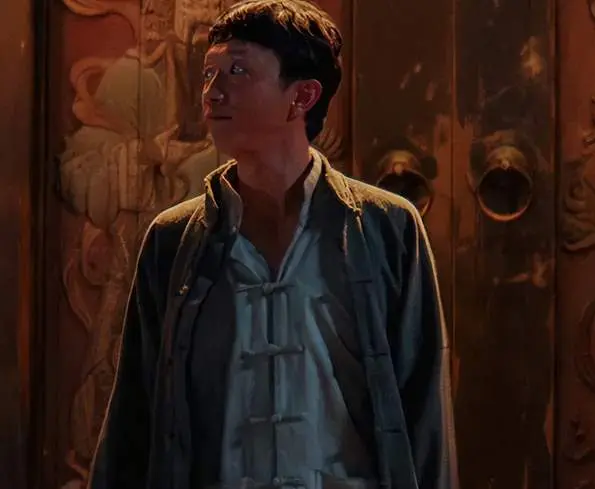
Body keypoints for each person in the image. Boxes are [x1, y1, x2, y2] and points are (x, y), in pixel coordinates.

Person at [87, 1, 458, 489]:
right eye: (208, 74)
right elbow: (133, 417)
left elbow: (423, 414)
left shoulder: (386, 228)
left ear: (302, 96)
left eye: (237, 71)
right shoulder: (174, 240)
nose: (212, 92)